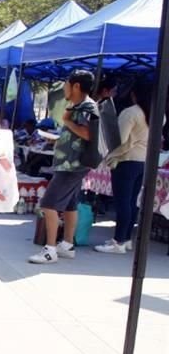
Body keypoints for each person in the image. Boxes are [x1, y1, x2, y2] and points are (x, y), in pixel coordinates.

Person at [28, 70, 97, 264]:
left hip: (72, 165)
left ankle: (50, 250)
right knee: (70, 205)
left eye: (66, 84)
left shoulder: (86, 107)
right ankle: (67, 245)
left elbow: (87, 134)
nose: (64, 88)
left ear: (76, 86)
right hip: (71, 163)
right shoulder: (78, 106)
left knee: (48, 204)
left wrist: (67, 121)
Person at [95, 80, 153, 254]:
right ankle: (126, 239)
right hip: (143, 162)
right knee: (132, 202)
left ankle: (118, 241)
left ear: (134, 94)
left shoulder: (130, 113)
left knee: (123, 203)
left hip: (126, 161)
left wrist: (109, 157)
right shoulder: (158, 114)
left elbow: (119, 141)